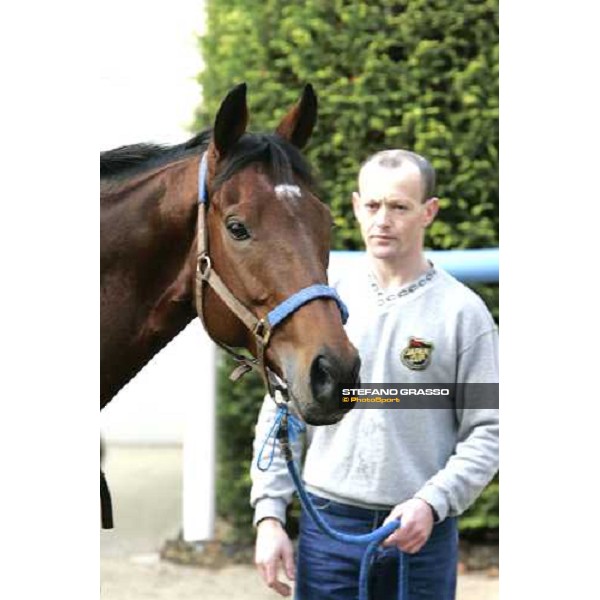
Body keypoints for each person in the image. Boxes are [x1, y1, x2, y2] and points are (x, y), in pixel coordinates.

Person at [250, 149, 499, 599]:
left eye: (399, 207)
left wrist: (431, 502)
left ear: (429, 212)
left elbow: (490, 429)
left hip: (422, 535)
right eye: (372, 205)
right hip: (327, 531)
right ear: (354, 206)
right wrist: (269, 515)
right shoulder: (319, 306)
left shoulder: (464, 313)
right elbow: (281, 412)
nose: (382, 219)